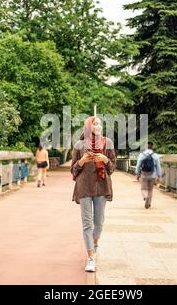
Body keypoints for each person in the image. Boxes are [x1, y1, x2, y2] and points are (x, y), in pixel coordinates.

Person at [71, 116, 116, 272]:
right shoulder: (79, 145)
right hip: (84, 187)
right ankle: (91, 258)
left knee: (99, 222)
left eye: (100, 124)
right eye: (95, 124)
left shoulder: (107, 143)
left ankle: (94, 243)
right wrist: (82, 161)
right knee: (87, 223)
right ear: (88, 127)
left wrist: (104, 159)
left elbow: (112, 168)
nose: (98, 126)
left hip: (101, 186)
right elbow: (73, 170)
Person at [135, 142, 162, 209]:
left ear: (146, 147)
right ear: (152, 147)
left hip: (144, 174)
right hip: (153, 175)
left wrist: (137, 174)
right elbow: (158, 166)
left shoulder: (141, 155)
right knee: (150, 190)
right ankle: (148, 203)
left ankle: (145, 196)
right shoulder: (155, 155)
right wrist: (159, 175)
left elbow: (138, 165)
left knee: (143, 188)